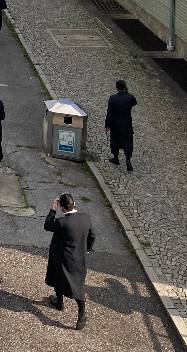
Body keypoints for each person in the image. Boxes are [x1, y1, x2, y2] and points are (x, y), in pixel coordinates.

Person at [45, 193, 96, 331]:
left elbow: (47, 225)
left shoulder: (62, 222)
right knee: (78, 286)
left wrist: (53, 209)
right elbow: (92, 235)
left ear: (62, 207)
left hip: (61, 257)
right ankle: (81, 314)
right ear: (74, 203)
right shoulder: (85, 218)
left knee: (58, 278)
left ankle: (60, 303)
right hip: (79, 259)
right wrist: (87, 250)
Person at [105, 80, 137, 172]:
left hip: (115, 124)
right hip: (126, 123)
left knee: (115, 141)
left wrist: (107, 124)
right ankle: (128, 159)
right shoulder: (130, 98)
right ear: (125, 87)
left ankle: (116, 158)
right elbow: (134, 103)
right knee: (127, 141)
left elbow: (109, 112)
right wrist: (127, 92)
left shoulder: (112, 98)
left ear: (117, 87)